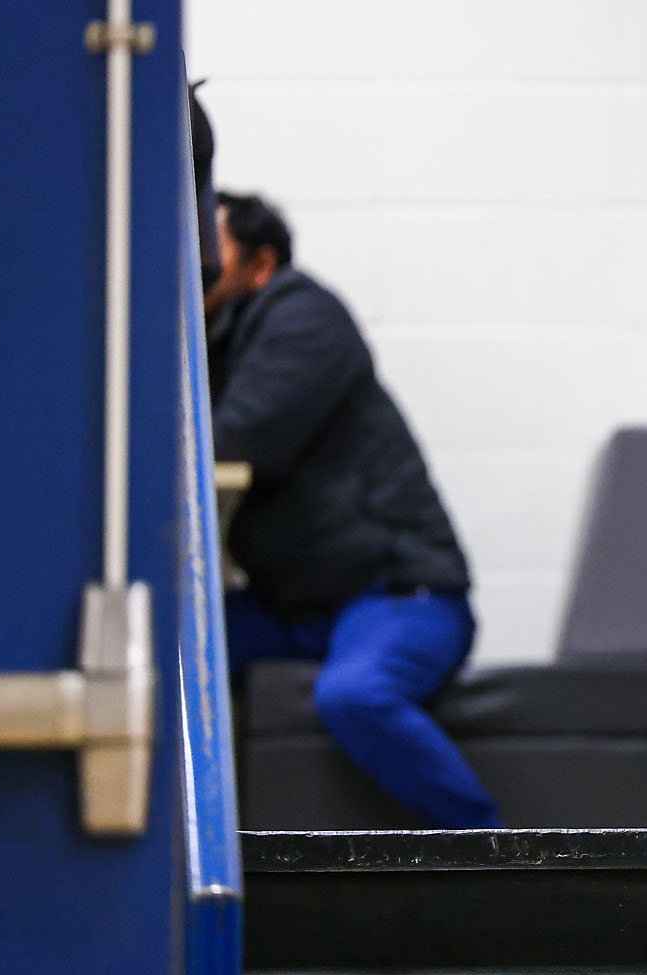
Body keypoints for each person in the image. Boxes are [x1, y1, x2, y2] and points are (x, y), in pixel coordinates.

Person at [206, 190, 500, 829]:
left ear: (260, 264)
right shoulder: (219, 337)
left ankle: (496, 855)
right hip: (301, 609)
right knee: (172, 645)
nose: (196, 258)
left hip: (401, 594)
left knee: (356, 696)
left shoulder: (303, 316)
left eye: (211, 246)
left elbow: (241, 437)